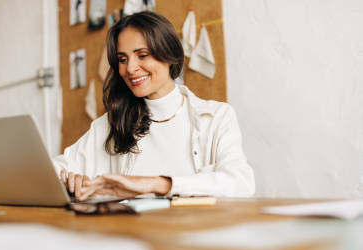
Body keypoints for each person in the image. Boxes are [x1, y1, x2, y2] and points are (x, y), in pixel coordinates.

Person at [53, 11, 255, 201]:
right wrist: (68, 181)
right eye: (123, 59)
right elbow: (52, 170)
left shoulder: (216, 116)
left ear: (169, 55)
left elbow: (241, 184)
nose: (130, 68)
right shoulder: (111, 123)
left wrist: (158, 184)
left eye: (142, 55)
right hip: (129, 235)